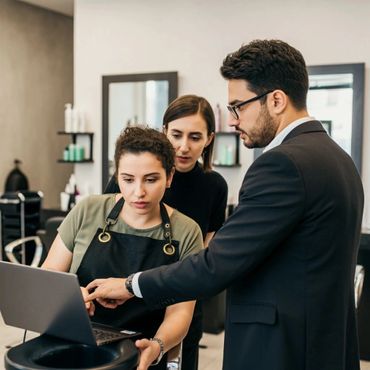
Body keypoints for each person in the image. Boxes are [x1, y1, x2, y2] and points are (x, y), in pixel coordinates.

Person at [85, 39, 364, 370]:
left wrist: (132, 284)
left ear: (276, 100)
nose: (233, 120)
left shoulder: (282, 165)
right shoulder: (339, 159)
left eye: (238, 106)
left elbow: (216, 264)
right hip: (322, 341)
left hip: (281, 348)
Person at [42, 126, 203, 370]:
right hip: (79, 348)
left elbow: (180, 313)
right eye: (127, 179)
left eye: (151, 179)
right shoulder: (88, 211)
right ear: (117, 176)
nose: (138, 192)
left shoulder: (187, 231)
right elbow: (49, 278)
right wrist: (74, 299)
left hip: (143, 354)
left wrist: (158, 346)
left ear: (169, 177)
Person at [105, 95, 228, 370]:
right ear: (164, 131)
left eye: (195, 137)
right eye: (176, 134)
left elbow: (204, 256)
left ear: (209, 138)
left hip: (182, 303)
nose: (184, 147)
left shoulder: (214, 186)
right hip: (124, 305)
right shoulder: (125, 179)